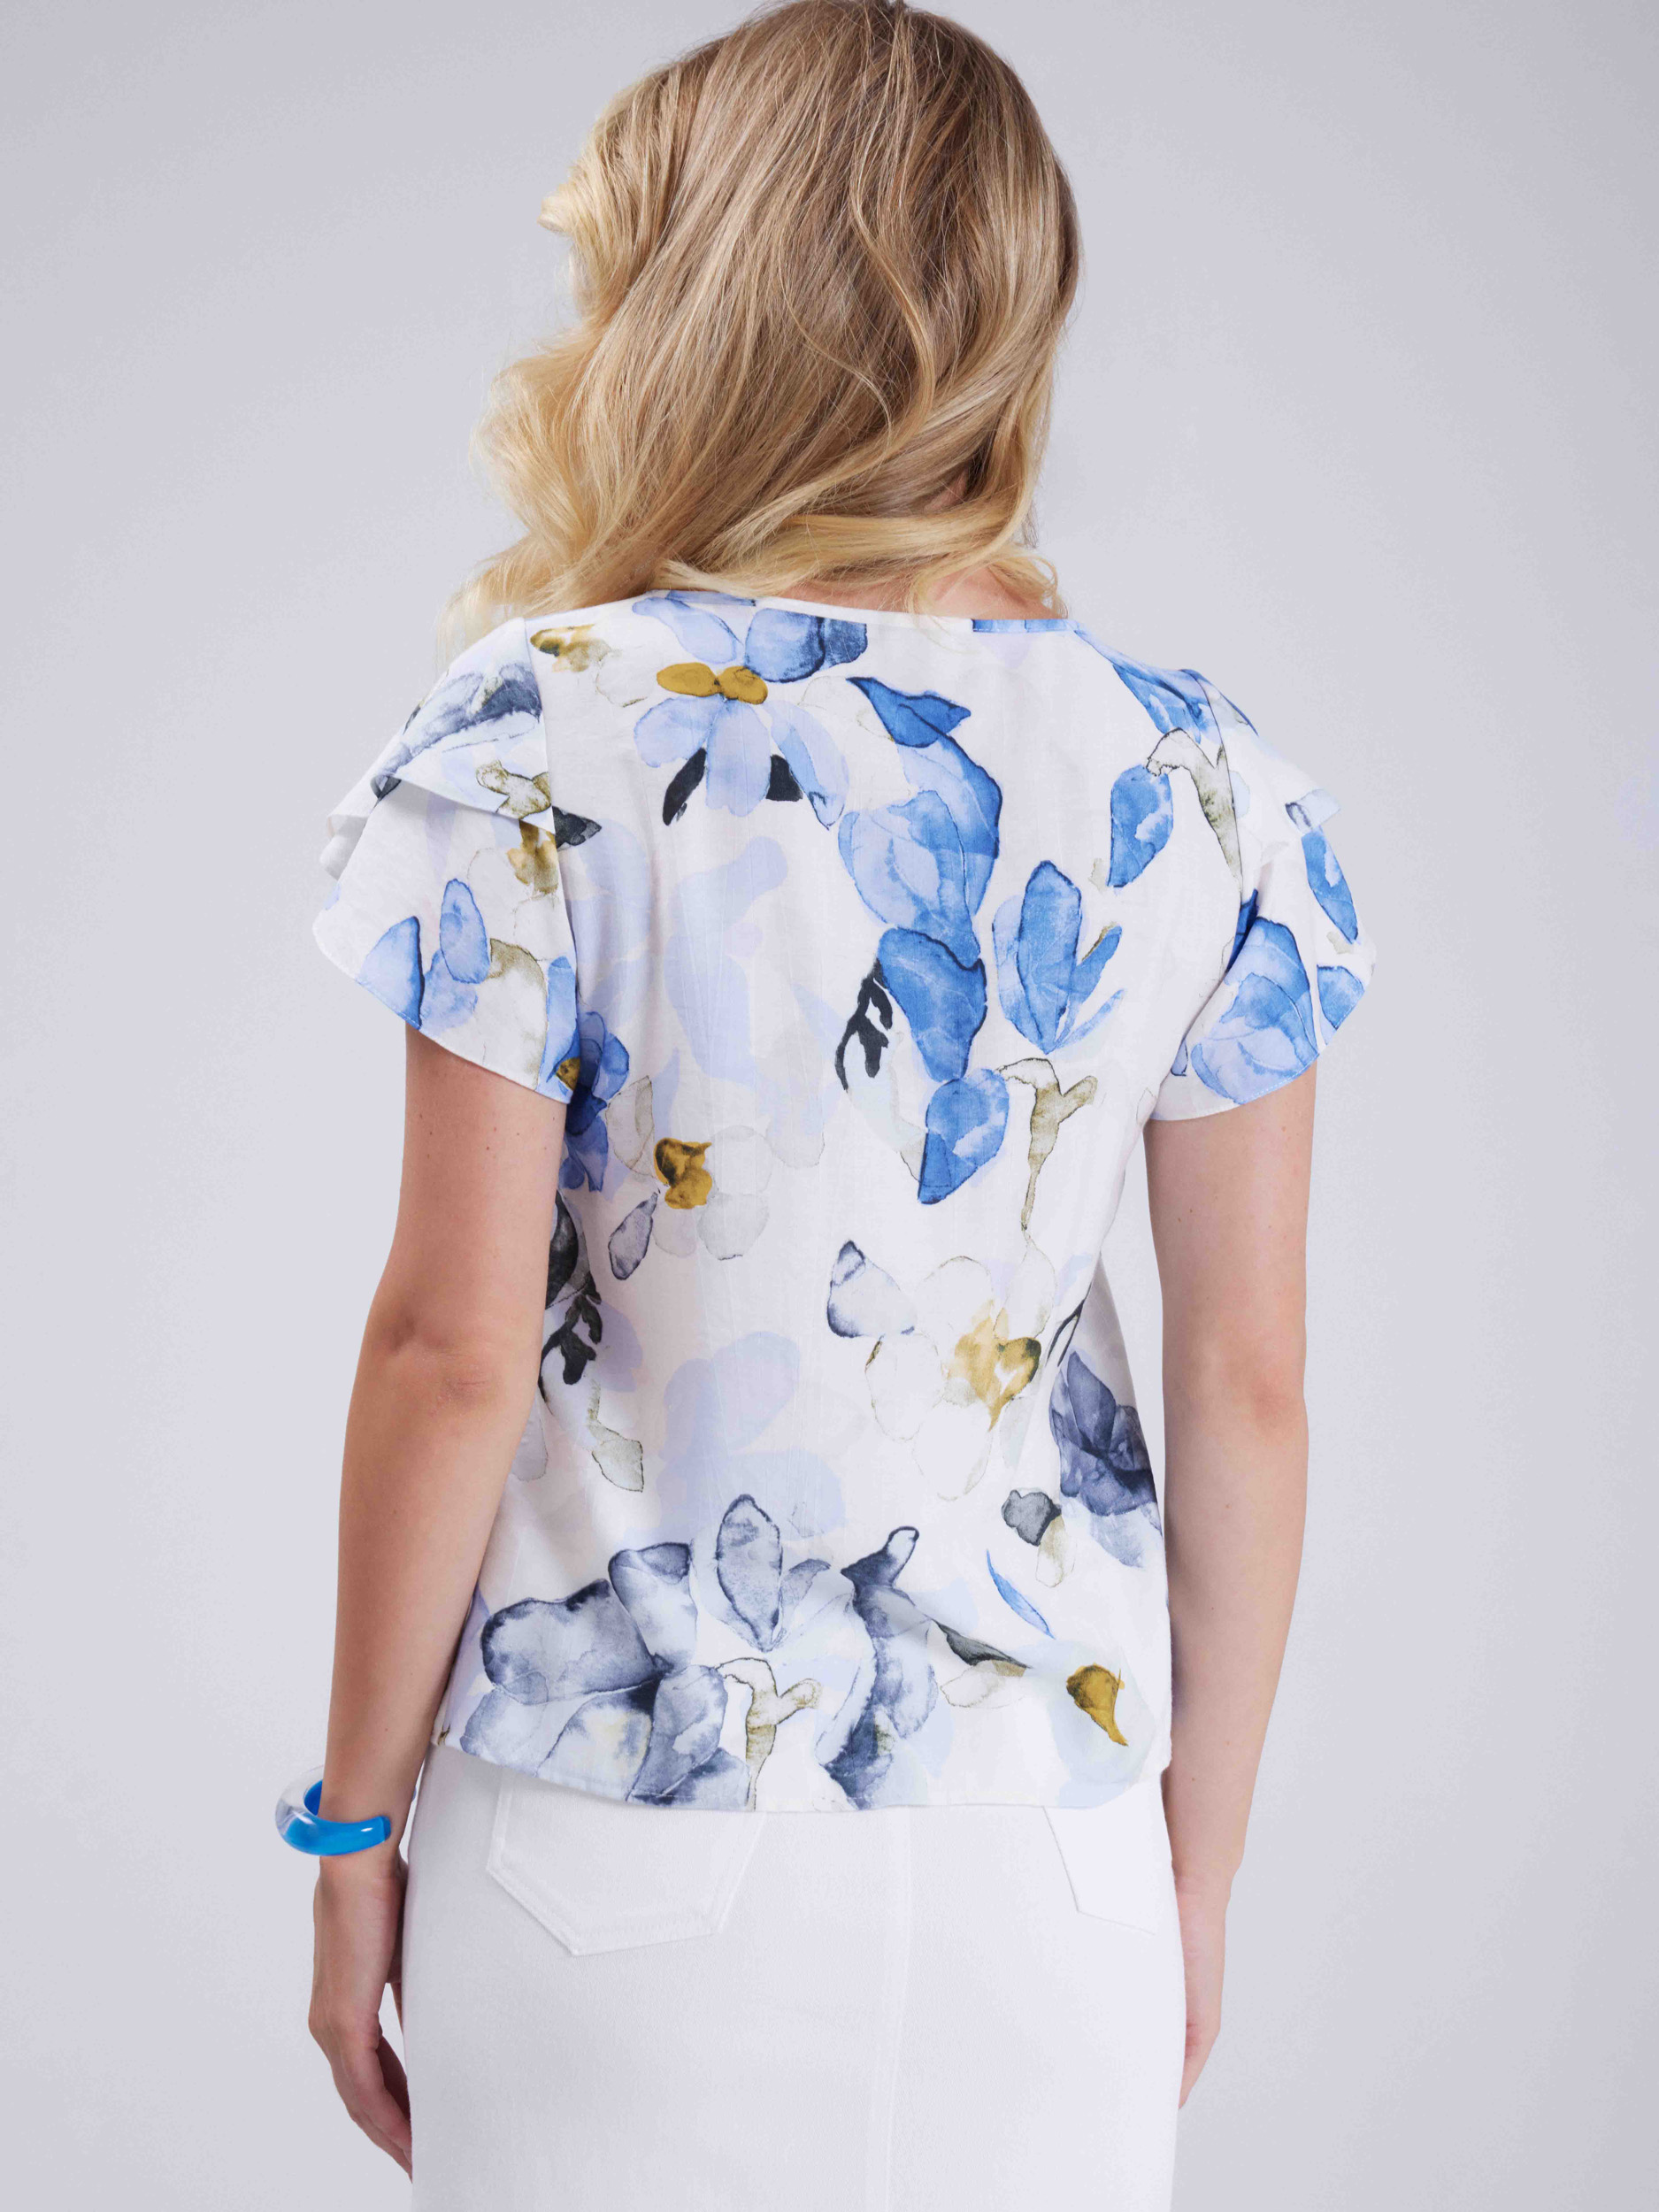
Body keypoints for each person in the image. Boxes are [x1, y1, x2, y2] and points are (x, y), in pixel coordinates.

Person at [297, 4, 1374, 2206]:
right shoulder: (1201, 783)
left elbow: (448, 1346)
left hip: (613, 1846)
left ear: (688, 301)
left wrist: (343, 1828)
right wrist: (1190, 1870)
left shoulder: (537, 735)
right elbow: (1245, 1380)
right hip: (1047, 1872)